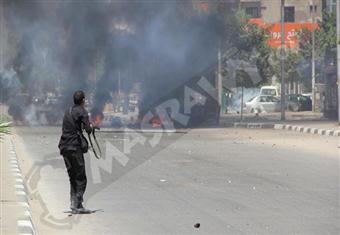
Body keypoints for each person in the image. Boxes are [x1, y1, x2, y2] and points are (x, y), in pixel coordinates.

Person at [58, 90, 93, 214]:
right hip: (74, 147)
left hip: (64, 147)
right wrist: (91, 127)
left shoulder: (68, 111)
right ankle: (77, 203)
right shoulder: (82, 111)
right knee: (81, 177)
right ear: (83, 100)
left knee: (72, 176)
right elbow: (88, 129)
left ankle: (74, 203)